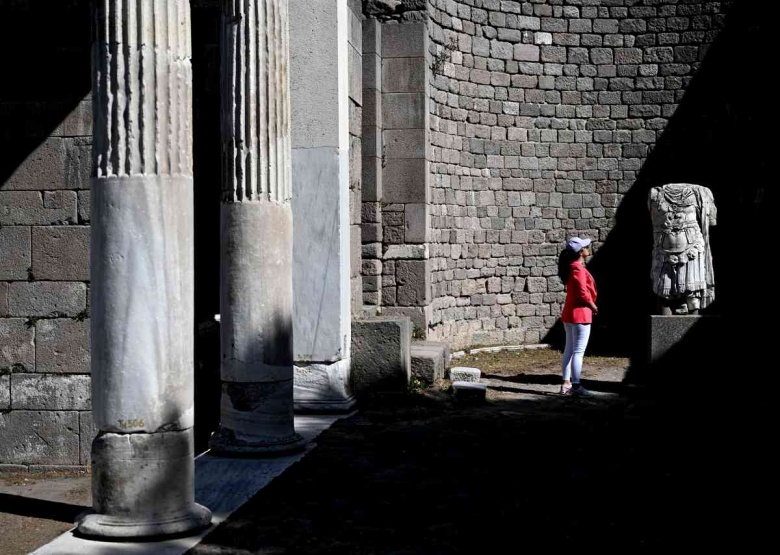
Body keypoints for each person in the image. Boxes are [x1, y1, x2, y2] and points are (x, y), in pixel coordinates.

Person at [647, 183, 716, 315]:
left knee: (689, 293)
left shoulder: (701, 192)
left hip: (691, 249)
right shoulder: (701, 193)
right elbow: (711, 221)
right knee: (668, 294)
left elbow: (712, 221)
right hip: (666, 251)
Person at [557, 237, 598, 397]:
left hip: (570, 313)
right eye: (586, 247)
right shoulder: (578, 269)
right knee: (578, 352)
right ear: (581, 252)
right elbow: (583, 293)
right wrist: (592, 305)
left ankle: (566, 383)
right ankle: (576, 385)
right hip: (580, 314)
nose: (588, 248)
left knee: (569, 349)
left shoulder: (572, 268)